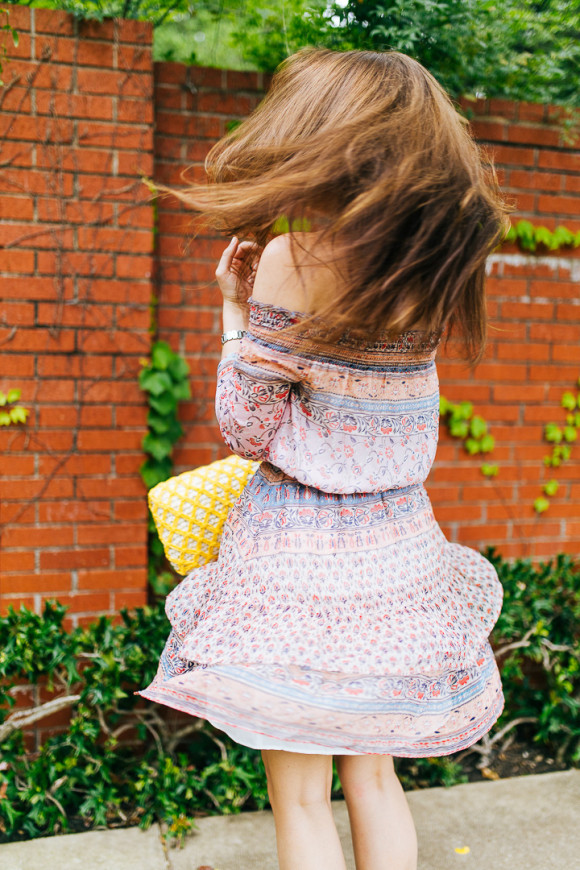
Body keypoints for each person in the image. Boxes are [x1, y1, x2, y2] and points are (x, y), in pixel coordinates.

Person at [139, 48, 510, 870]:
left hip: (296, 560)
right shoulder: (428, 273)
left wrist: (235, 311)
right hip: (396, 553)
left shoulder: (293, 260)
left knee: (303, 799)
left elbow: (247, 425)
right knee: (376, 782)